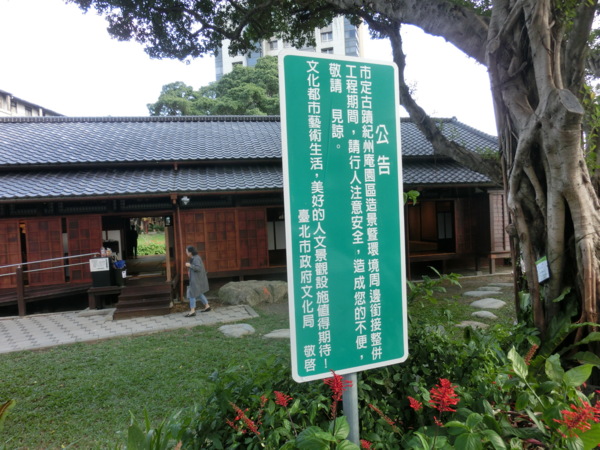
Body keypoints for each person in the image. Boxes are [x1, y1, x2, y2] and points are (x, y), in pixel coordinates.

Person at [184, 245, 211, 316]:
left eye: (187, 251)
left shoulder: (196, 258)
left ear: (190, 252)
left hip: (196, 280)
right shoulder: (195, 257)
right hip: (196, 279)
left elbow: (198, 268)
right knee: (199, 293)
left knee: (192, 293)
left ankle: (192, 311)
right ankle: (207, 306)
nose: (186, 253)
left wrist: (190, 265)